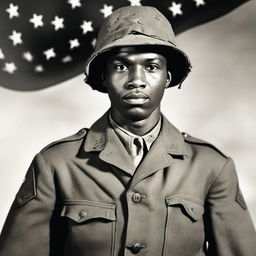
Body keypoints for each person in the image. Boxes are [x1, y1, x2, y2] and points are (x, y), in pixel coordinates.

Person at [0, 6, 255, 256]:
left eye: (152, 66)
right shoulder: (57, 164)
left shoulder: (211, 166)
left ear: (168, 77)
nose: (137, 79)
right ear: (103, 76)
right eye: (121, 66)